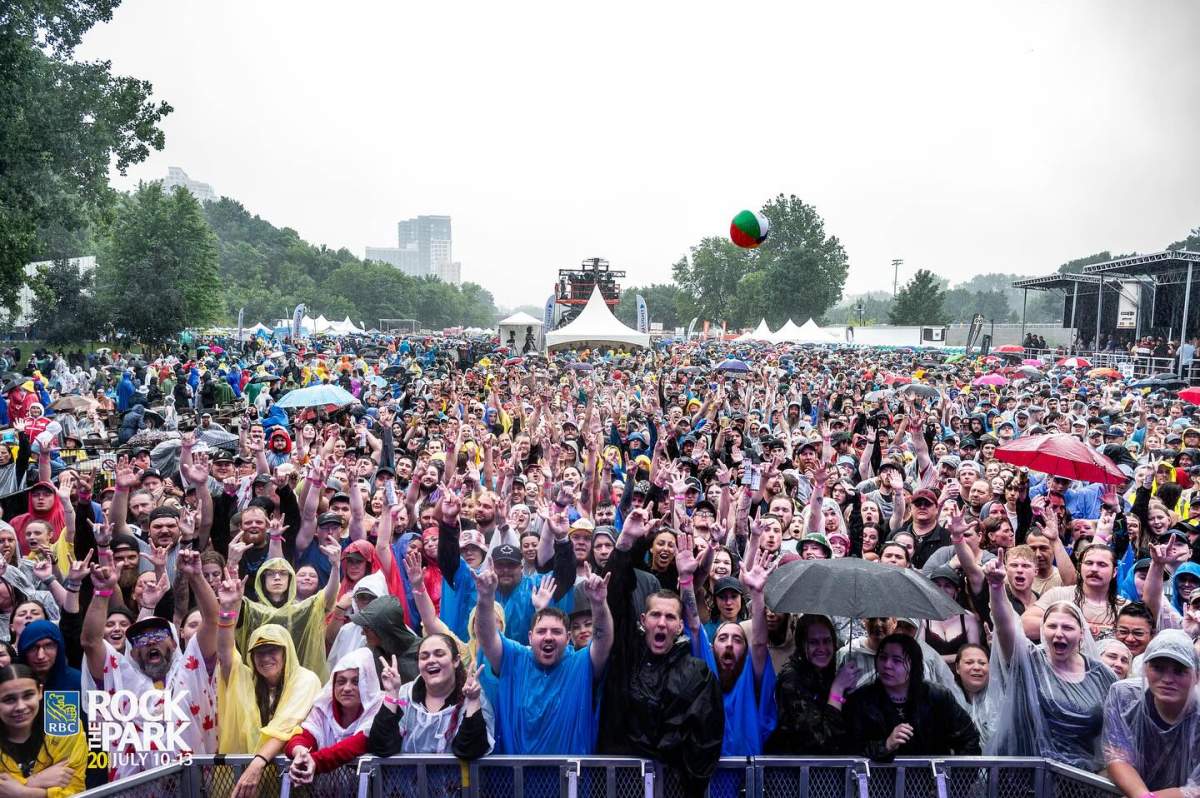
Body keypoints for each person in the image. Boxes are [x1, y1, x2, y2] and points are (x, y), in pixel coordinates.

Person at [598, 508, 724, 797]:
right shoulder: (626, 658)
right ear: (643, 621)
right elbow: (616, 595)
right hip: (622, 786)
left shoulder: (697, 674)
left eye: (670, 618)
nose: (662, 623)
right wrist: (627, 542)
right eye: (655, 615)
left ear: (680, 626)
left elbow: (705, 741)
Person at [81, 548, 220, 775]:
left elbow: (212, 620)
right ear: (133, 652)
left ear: (175, 643)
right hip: (133, 789)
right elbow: (90, 642)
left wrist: (196, 576)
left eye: (158, 636)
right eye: (141, 639)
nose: (149, 642)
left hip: (189, 787)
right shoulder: (122, 676)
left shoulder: (191, 672)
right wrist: (102, 593)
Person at [985, 555, 1117, 770]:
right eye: (1052, 626)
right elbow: (1005, 625)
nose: (1058, 634)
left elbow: (1114, 733)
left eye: (1067, 628)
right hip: (1025, 778)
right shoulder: (1028, 661)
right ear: (1042, 630)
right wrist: (997, 586)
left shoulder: (1101, 674)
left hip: (1080, 781)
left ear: (1082, 634)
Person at [471, 553, 611, 754]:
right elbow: (485, 635)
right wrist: (485, 597)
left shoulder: (580, 663)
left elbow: (603, 639)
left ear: (569, 637)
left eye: (556, 632)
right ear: (529, 637)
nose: (548, 637)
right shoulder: (514, 658)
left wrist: (599, 604)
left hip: (568, 781)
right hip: (515, 780)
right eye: (541, 631)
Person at [216, 566, 321, 798]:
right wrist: (226, 610)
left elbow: (285, 727)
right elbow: (225, 654)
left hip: (293, 782)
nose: (266, 658)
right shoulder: (246, 679)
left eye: (273, 650)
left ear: (287, 653)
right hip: (245, 780)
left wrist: (257, 763)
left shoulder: (305, 680)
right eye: (259, 652)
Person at [842, 633, 980, 759]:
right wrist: (885, 745)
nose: (887, 665)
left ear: (914, 665)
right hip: (880, 782)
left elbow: (969, 739)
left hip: (931, 782)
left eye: (897, 660)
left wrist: (956, 782)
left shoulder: (937, 696)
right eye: (883, 657)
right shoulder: (862, 700)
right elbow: (849, 749)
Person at [1102, 629, 1200, 798]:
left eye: (1179, 671)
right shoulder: (1124, 696)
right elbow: (1117, 756)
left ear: (1196, 676)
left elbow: (1196, 788)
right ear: (1145, 669)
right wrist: (1143, 796)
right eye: (1158, 668)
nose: (1168, 679)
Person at [367, 636, 494, 758]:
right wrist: (392, 693)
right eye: (424, 657)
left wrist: (472, 702)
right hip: (406, 779)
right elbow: (381, 747)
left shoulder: (473, 695)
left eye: (439, 654)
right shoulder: (403, 695)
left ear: (455, 661)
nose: (431, 660)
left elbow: (470, 751)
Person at [765, 614, 859, 754]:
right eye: (814, 642)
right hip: (795, 770)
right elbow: (819, 742)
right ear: (802, 645)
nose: (822, 648)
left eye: (827, 641)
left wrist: (848, 694)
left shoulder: (830, 674)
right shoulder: (791, 679)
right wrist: (837, 690)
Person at [286, 649, 383, 783]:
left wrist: (315, 760)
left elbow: (358, 743)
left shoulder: (378, 706)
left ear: (367, 684)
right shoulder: (323, 707)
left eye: (356, 682)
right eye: (341, 682)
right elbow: (304, 736)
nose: (347, 688)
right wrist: (300, 752)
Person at [0, 664, 87, 798]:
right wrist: (36, 781)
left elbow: (76, 791)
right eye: (9, 700)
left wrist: (22, 792)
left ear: (40, 692)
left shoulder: (65, 721)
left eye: (28, 695)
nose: (20, 706)